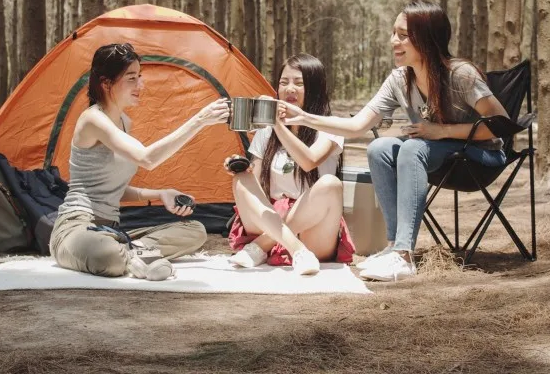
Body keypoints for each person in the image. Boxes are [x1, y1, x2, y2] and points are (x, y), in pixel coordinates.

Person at [283, 1, 508, 281]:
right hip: (439, 156)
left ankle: (403, 255)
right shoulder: (399, 80)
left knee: (412, 148)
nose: (393, 41)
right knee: (379, 148)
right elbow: (356, 126)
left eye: (402, 35)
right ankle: (393, 246)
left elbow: (500, 125)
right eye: (393, 33)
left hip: (480, 160)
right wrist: (304, 117)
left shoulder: (460, 75)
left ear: (426, 39)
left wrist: (441, 131)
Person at [49, 43, 230, 281]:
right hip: (76, 227)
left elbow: (112, 188)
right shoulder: (92, 119)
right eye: (132, 78)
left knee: (196, 231)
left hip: (113, 230)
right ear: (106, 83)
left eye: (139, 77)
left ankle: (135, 253)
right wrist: (199, 120)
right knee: (106, 256)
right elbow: (147, 158)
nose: (140, 85)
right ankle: (139, 256)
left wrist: (159, 193)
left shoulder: (124, 121)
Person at [226, 54, 355, 276]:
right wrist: (239, 167)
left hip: (313, 230)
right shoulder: (267, 130)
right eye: (284, 83)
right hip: (271, 219)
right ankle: (295, 250)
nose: (290, 89)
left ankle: (262, 247)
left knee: (330, 184)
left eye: (299, 83)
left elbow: (309, 161)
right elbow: (256, 185)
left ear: (315, 87)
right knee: (242, 180)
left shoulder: (330, 127)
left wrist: (278, 124)